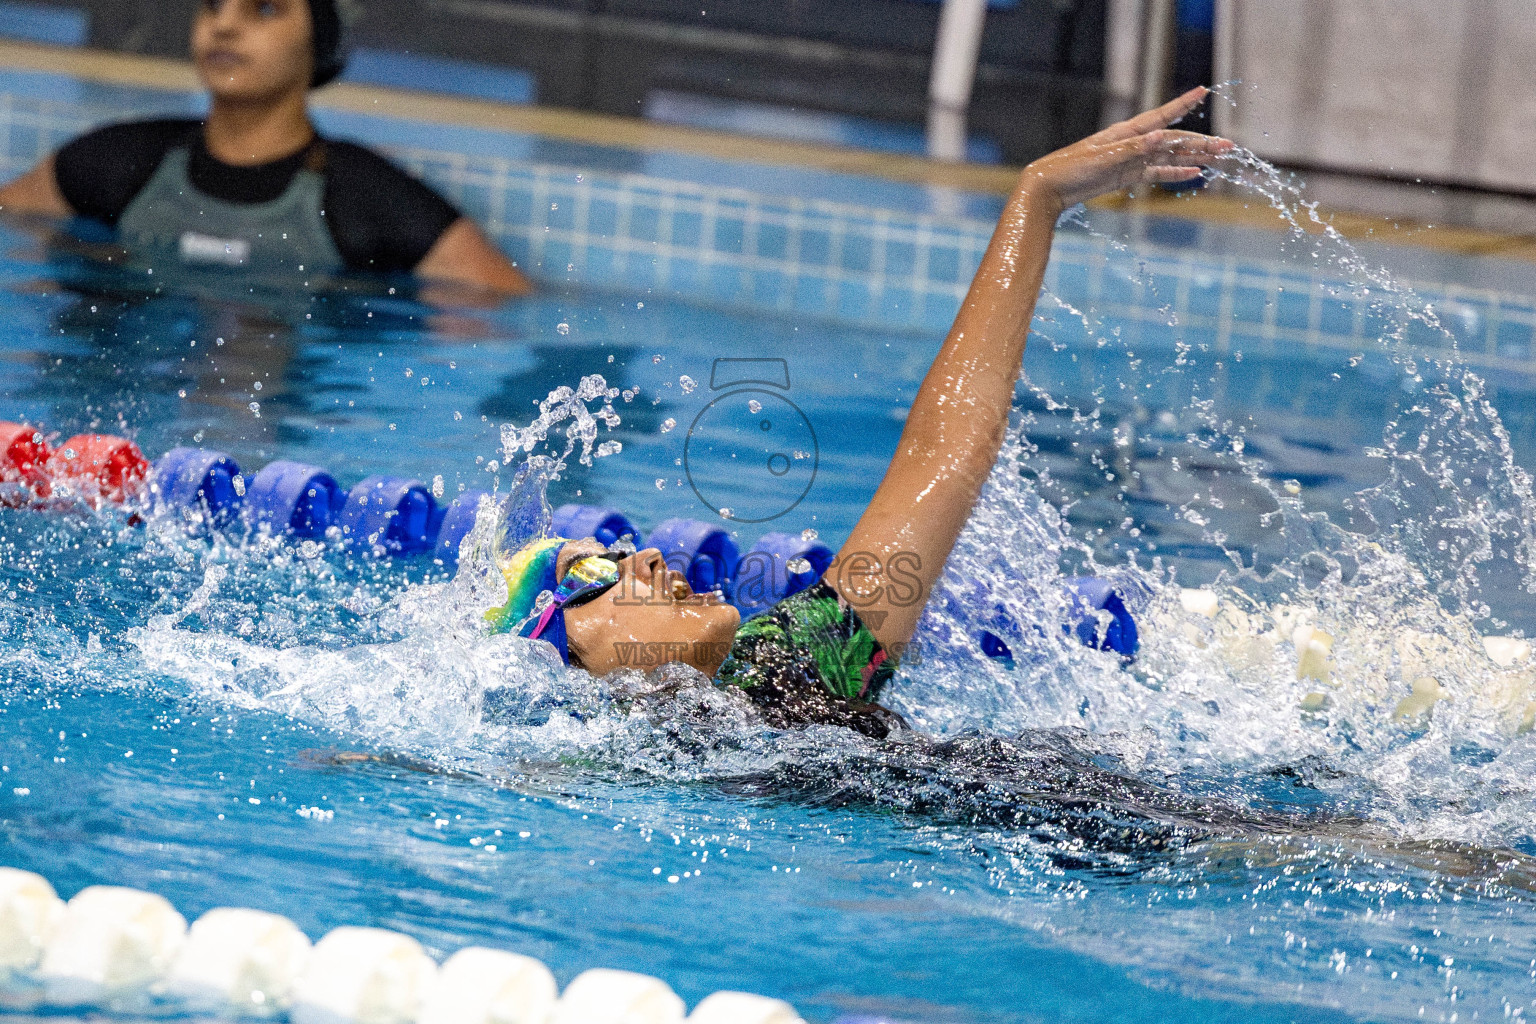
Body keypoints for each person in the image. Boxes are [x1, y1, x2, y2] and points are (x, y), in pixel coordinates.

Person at [485, 89, 1230, 737]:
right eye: (592, 575)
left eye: (614, 554)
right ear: (563, 659)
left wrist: (1036, 200)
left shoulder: (787, 663)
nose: (643, 557)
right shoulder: (598, 773)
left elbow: (948, 454)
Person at [0, 0, 530, 295]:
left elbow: (506, 301)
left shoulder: (364, 196)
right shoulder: (120, 160)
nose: (225, 25)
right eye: (212, 6)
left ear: (318, 43)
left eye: (264, 9)